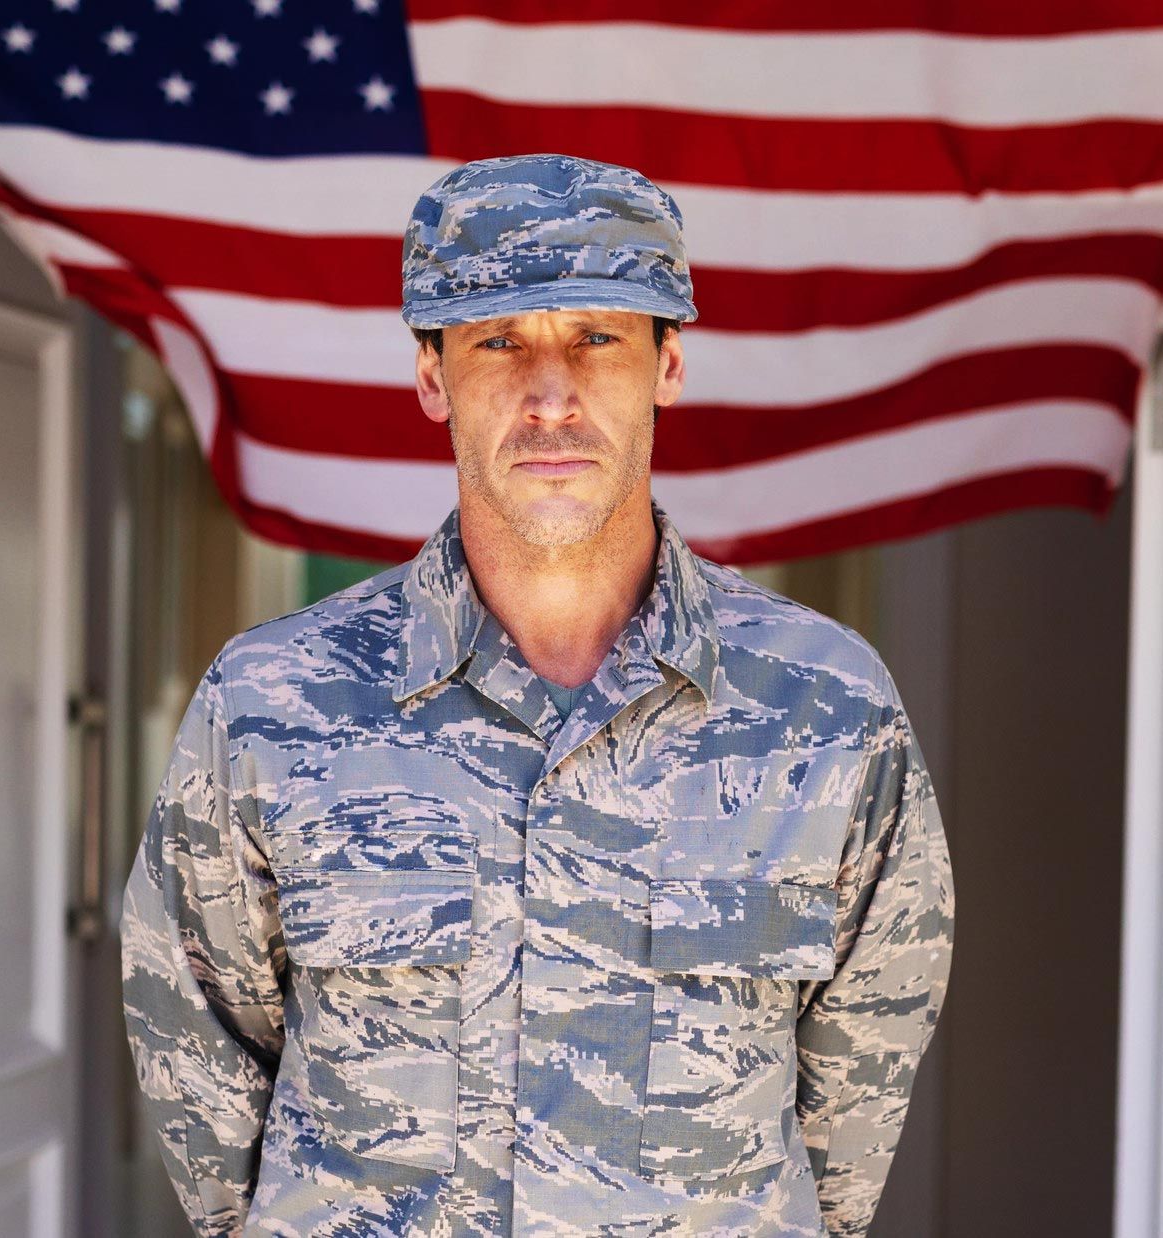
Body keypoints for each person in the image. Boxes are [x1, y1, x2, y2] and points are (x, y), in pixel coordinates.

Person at [121, 153, 955, 1237]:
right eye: (498, 341)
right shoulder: (270, 703)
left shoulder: (826, 706)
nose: (550, 395)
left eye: (598, 338)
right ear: (432, 375)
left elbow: (860, 1075)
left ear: (668, 364)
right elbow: (195, 1040)